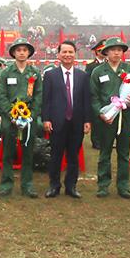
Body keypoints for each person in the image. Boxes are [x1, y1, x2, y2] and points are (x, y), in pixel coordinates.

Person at [90, 37, 130, 198]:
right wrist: (101, 113)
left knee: (124, 153)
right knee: (104, 152)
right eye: (113, 50)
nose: (116, 53)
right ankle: (103, 185)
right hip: (107, 118)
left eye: (119, 50)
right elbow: (93, 96)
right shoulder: (98, 71)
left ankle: (123, 185)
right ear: (106, 52)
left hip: (126, 116)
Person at [42, 41, 91, 198]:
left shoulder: (83, 76)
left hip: (77, 123)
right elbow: (46, 100)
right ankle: (54, 186)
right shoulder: (50, 75)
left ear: (75, 54)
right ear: (58, 55)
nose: (67, 55)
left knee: (73, 157)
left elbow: (86, 100)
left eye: (70, 52)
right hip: (56, 122)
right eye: (64, 52)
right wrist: (46, 119)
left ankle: (71, 186)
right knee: (55, 156)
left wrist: (87, 120)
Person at [0, 37, 42, 198]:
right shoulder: (6, 73)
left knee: (28, 152)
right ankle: (6, 184)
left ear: (29, 53)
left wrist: (31, 115)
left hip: (29, 118)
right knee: (8, 152)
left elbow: (38, 96)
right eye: (18, 50)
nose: (22, 53)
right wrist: (12, 114)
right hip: (10, 119)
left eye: (24, 50)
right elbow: (2, 96)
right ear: (13, 53)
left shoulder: (34, 73)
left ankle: (27, 185)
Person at [85, 39, 106, 150]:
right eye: (101, 50)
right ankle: (96, 141)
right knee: (96, 120)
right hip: (95, 95)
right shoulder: (91, 66)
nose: (104, 52)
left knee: (107, 120)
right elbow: (88, 81)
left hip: (107, 95)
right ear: (97, 52)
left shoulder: (108, 64)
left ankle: (105, 140)